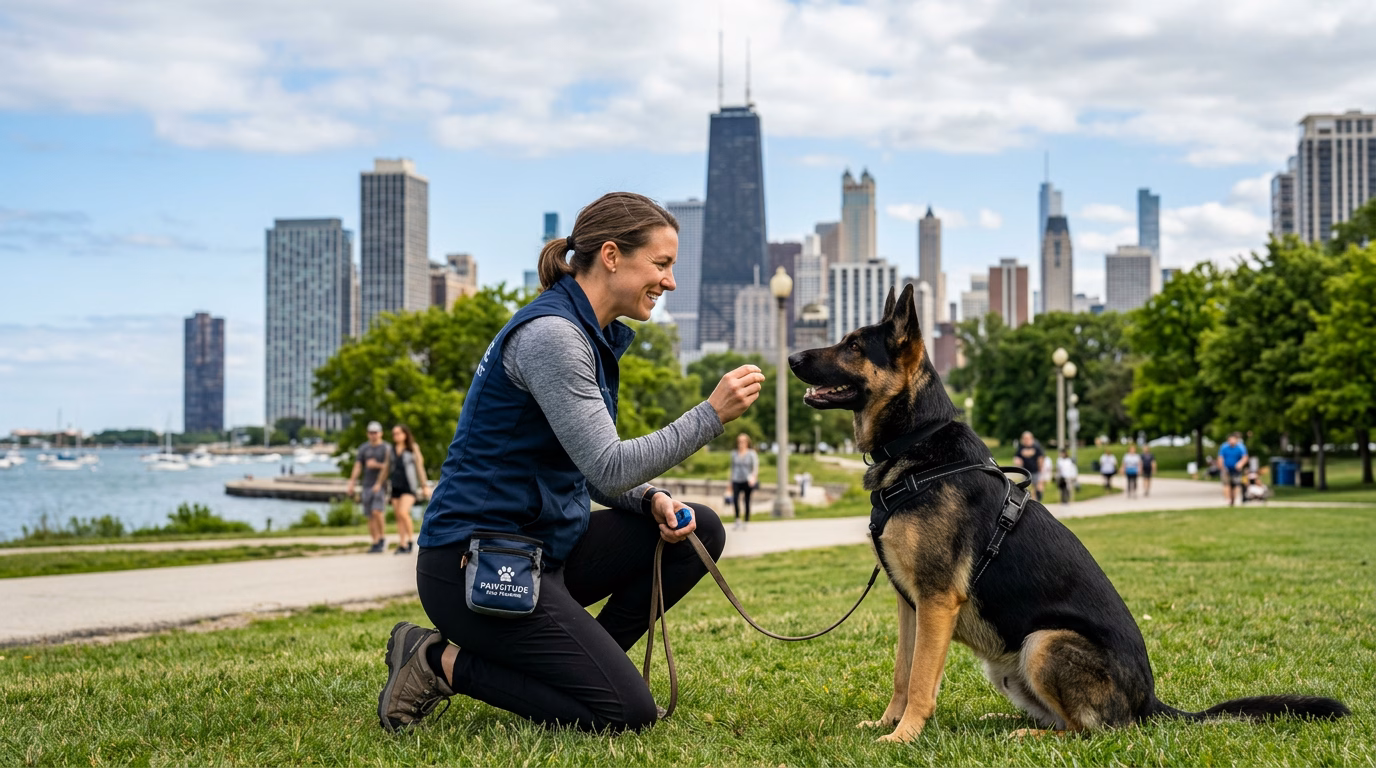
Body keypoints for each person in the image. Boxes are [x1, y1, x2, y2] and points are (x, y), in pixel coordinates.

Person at [378, 192, 766, 734]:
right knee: (625, 713)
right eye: (661, 264)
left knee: (700, 528)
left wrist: (649, 500)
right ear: (611, 255)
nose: (670, 281)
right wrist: (710, 415)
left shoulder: (588, 335)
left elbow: (589, 467)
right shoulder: (554, 336)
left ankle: (582, 669)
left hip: (545, 552)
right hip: (474, 566)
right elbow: (608, 466)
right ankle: (435, 660)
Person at [346, 421, 393, 553]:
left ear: (381, 433)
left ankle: (383, 538)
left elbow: (390, 467)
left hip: (381, 485)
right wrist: (351, 483)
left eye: (375, 432)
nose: (373, 435)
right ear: (368, 434)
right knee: (369, 514)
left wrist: (376, 465)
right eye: (371, 432)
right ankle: (375, 541)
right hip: (366, 484)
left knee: (377, 511)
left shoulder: (386, 448)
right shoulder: (364, 448)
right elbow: (358, 466)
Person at [388, 424, 430, 554]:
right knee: (398, 516)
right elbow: (386, 468)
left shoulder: (412, 448)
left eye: (398, 433)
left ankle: (411, 541)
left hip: (408, 486)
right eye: (394, 434)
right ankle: (402, 543)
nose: (396, 436)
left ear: (405, 434)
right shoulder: (391, 450)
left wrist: (424, 485)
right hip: (395, 485)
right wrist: (379, 484)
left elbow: (419, 467)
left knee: (403, 513)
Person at [729, 433, 759, 529]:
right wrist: (730, 482)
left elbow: (755, 467)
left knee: (746, 500)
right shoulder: (734, 453)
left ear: (747, 442)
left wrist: (753, 478)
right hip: (736, 479)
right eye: (739, 441)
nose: (741, 443)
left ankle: (746, 520)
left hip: (747, 480)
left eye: (743, 441)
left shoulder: (751, 453)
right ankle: (737, 519)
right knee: (735, 499)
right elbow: (732, 468)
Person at [1012, 431, 1048, 502]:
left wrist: (1041, 467)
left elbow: (1041, 457)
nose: (1025, 440)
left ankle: (1037, 499)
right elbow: (1017, 457)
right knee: (1027, 487)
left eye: (1027, 438)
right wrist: (1017, 461)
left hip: (1035, 470)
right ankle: (1030, 500)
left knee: (1037, 486)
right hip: (1025, 471)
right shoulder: (1021, 448)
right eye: (1024, 438)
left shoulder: (1036, 446)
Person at [1217, 432, 1249, 507]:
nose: (1232, 441)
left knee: (1236, 485)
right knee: (1226, 484)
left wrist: (1240, 464)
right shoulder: (1224, 447)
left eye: (1233, 439)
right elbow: (1220, 458)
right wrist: (1222, 467)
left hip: (1236, 470)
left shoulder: (1240, 447)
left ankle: (1233, 500)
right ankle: (1228, 500)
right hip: (1226, 469)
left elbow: (1245, 457)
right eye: (1230, 439)